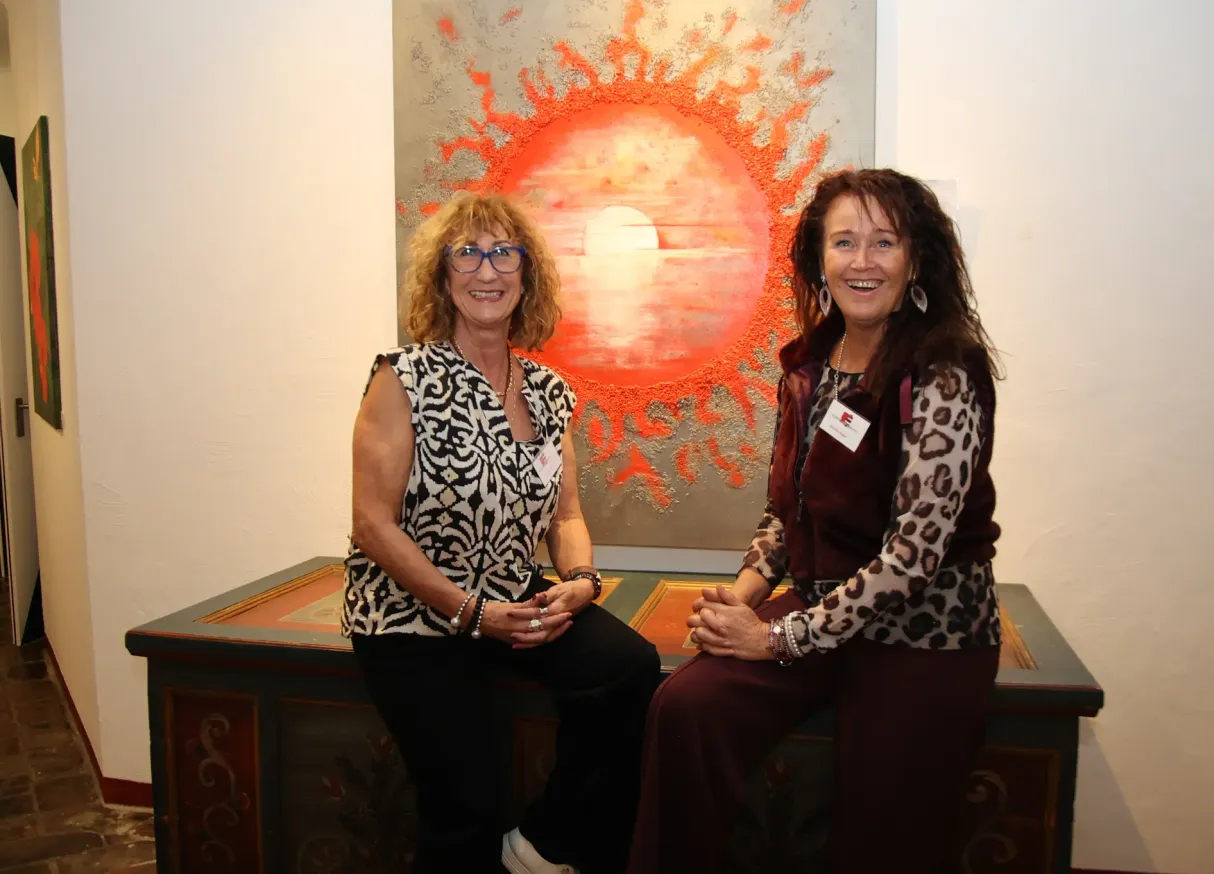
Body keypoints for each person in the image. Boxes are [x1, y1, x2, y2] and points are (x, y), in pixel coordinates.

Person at [627, 168, 1004, 874]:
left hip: (924, 633)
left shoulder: (944, 370)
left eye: (884, 242)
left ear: (915, 259)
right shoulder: (808, 367)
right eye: (845, 243)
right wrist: (739, 600)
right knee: (685, 707)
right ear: (819, 260)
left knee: (880, 831)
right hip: (818, 615)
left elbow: (913, 557)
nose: (863, 262)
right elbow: (783, 513)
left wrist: (775, 639)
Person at [345, 191, 661, 874]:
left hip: (513, 596)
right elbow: (371, 524)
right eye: (468, 253)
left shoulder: (548, 389)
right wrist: (470, 611)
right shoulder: (403, 379)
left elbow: (567, 514)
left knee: (629, 670)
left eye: (503, 253)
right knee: (467, 805)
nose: (486, 271)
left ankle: (546, 846)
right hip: (412, 616)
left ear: (527, 274)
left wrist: (579, 582)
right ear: (443, 275)